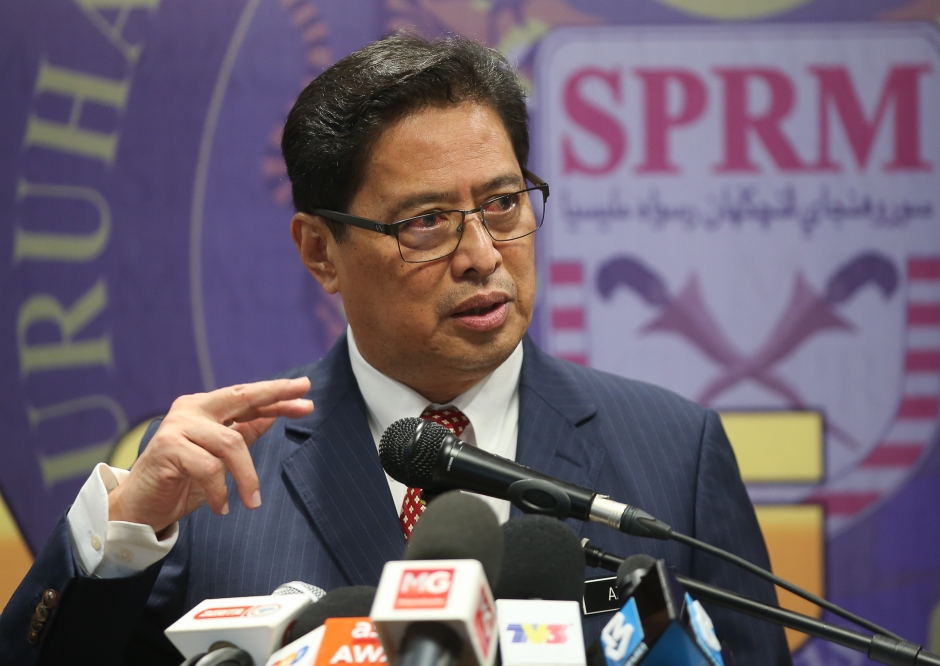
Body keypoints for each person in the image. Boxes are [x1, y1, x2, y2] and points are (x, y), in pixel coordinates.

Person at [0, 34, 792, 665]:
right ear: (321, 251)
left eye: (503, 203)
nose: (482, 254)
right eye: (426, 222)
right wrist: (122, 536)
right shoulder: (217, 480)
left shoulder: (673, 453)